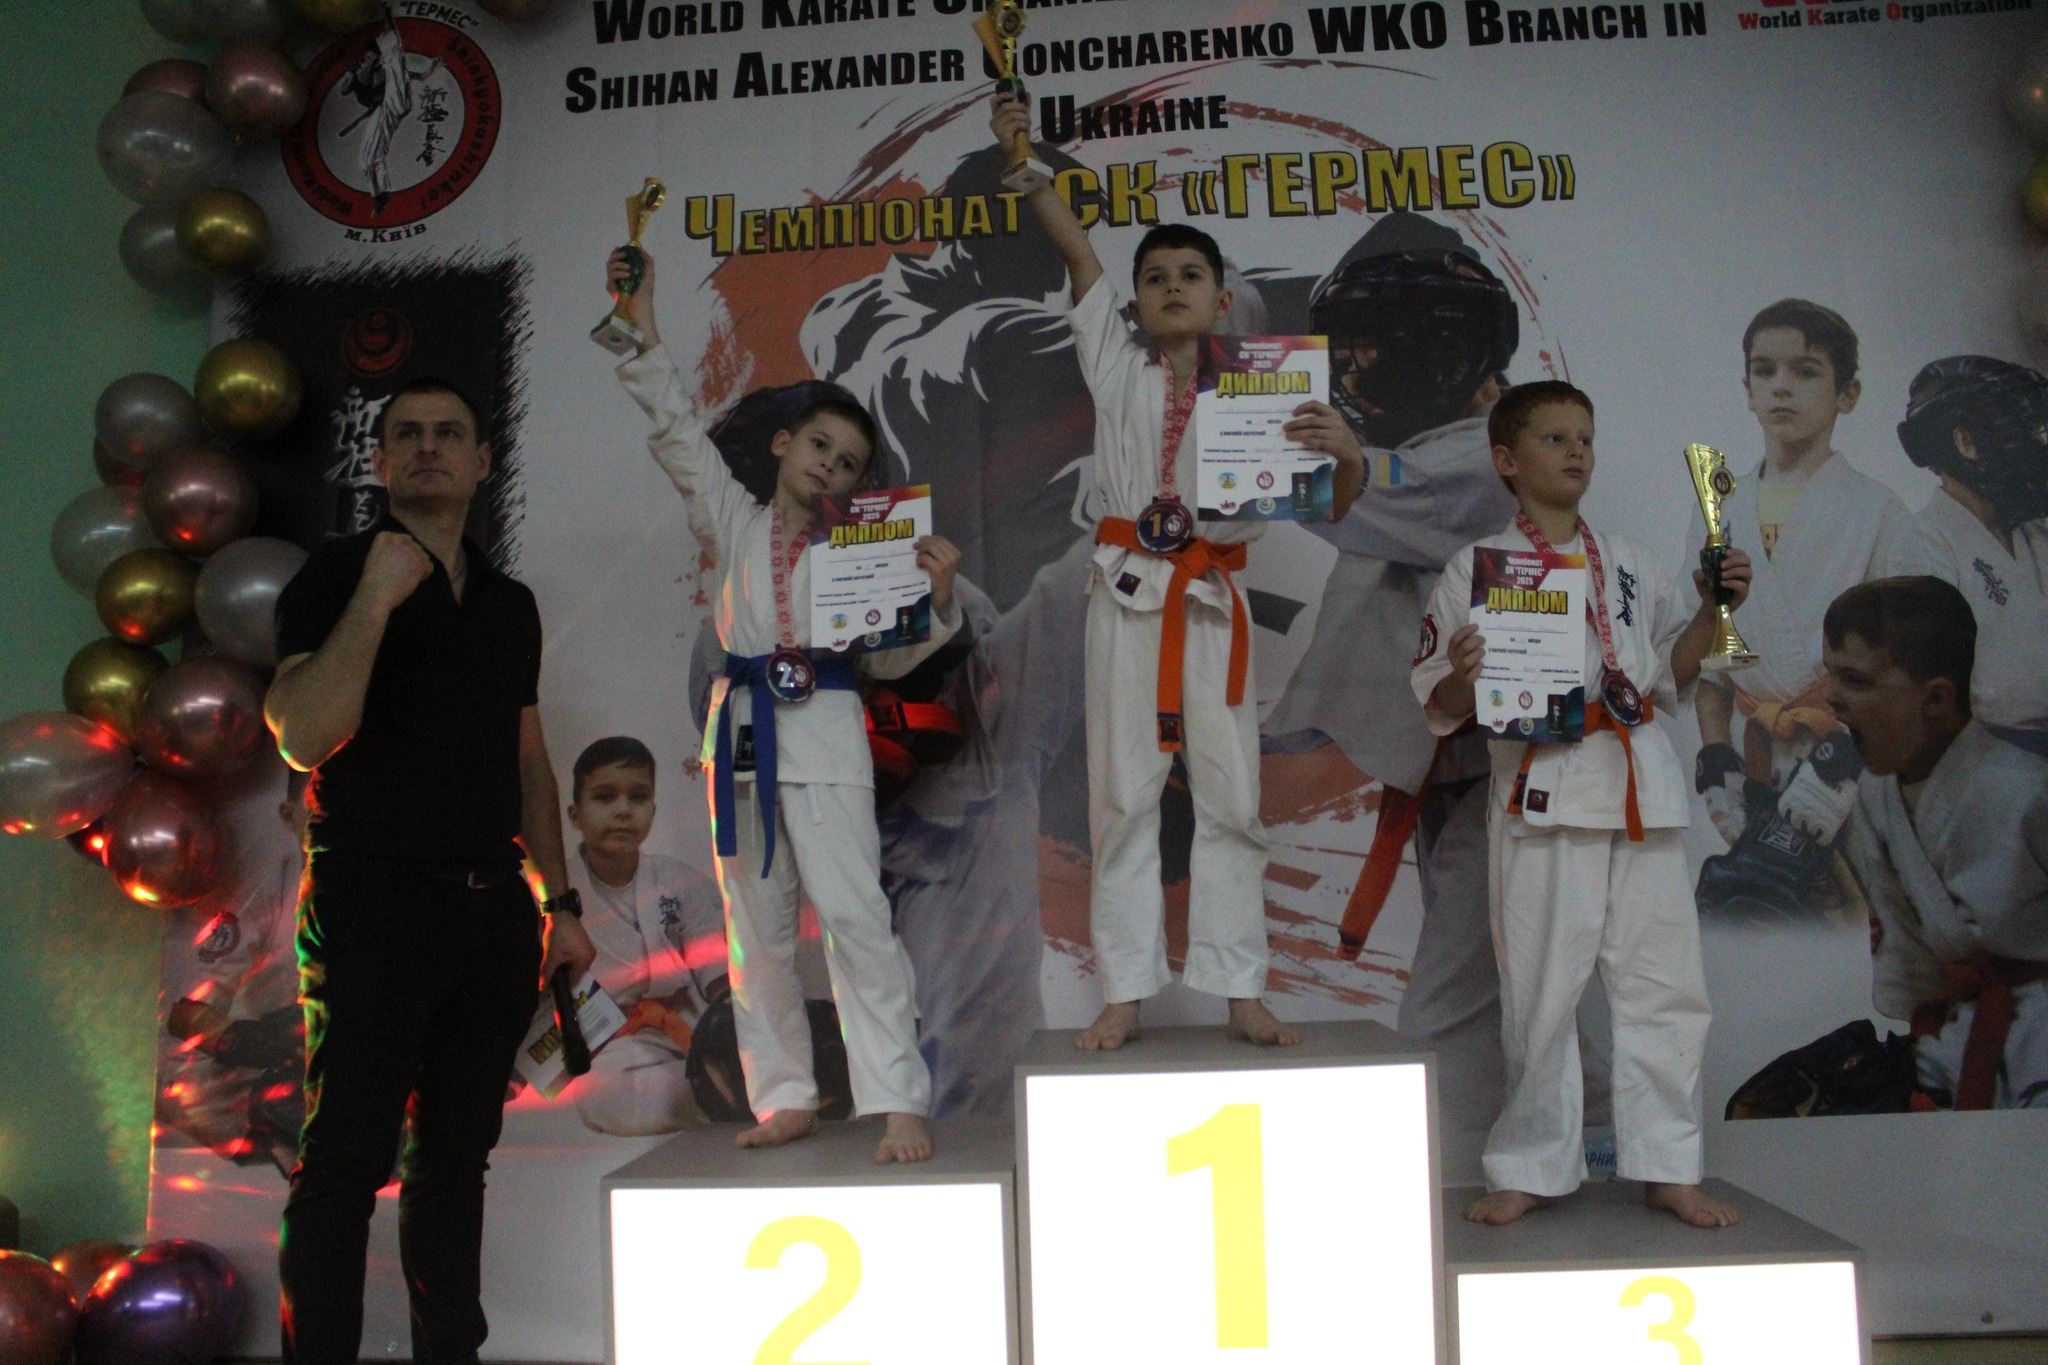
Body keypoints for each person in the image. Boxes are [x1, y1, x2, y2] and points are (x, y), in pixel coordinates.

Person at [991, 93, 1364, 1050]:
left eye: (1190, 275)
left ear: (1221, 298)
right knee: (1123, 797)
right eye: (1154, 277)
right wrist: (1029, 166)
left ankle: (1241, 987)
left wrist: (1343, 451)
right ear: (1138, 300)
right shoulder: (1119, 371)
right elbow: (1081, 260)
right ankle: (1125, 990)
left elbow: (1332, 501)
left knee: (1232, 798)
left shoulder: (1266, 392)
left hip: (1210, 599)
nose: (1170, 287)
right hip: (1126, 599)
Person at [264, 376, 596, 1365]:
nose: (427, 447)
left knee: (455, 1162)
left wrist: (562, 903)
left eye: (449, 433)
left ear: (482, 460)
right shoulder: (333, 575)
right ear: (378, 462)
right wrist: (376, 594)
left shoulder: (509, 604)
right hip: (370, 900)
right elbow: (302, 735)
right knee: (344, 1161)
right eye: (405, 434)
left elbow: (528, 760)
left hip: (490, 911)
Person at [607, 247, 964, 1164]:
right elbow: (678, 435)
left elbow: (894, 659)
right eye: (818, 447)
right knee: (754, 928)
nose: (830, 468)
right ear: (782, 446)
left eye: (848, 463)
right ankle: (785, 1094)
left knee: (856, 919)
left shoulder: (866, 554)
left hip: (830, 735)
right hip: (742, 737)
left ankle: (898, 1098)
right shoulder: (735, 520)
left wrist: (937, 598)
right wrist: (644, 336)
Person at [1410, 380, 1749, 1227]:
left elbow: (1670, 675)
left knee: (1666, 989)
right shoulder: (1476, 569)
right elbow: (1439, 701)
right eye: (1554, 438)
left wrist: (1712, 607)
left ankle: (1668, 1164)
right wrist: (1465, 673)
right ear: (1506, 460)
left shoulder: (1629, 560)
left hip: (1641, 792)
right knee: (1540, 992)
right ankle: (1531, 1163)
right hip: (1545, 793)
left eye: (1585, 438)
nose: (1576, 452)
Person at [1263, 214, 1520, 1147]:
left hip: (1516, 779)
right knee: (1506, 987)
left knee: (1455, 1001)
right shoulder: (1443, 450)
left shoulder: (1490, 453)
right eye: (1354, 342)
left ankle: (1449, 1178)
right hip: (1462, 772)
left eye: (1384, 339)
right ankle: (1543, 1162)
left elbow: (1363, 493)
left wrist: (1314, 449)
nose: (1364, 363)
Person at [1692, 300, 1908, 919]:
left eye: (1806, 371)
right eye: (1765, 371)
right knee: (1762, 916)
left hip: (1851, 759)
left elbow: (1906, 667)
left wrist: (1842, 763)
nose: (1781, 386)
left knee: (1867, 923)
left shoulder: (1877, 511)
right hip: (1755, 760)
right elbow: (1711, 663)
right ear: (1747, 390)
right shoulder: (1722, 512)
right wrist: (1716, 757)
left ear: (1848, 394)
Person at [1824, 577, 2048, 1109]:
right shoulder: (1875, 796)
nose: (1830, 698)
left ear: (1937, 699)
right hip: (1955, 1032)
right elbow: (1907, 957)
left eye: (1855, 680)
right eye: (1831, 675)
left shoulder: (2028, 786)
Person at [560, 736, 727, 1136]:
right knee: (602, 1092)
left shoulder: (679, 881)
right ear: (575, 814)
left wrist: (733, 1024)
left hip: (691, 1026)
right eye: (605, 797)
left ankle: (724, 1082)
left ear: (653, 809)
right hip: (613, 1042)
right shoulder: (558, 894)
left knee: (756, 1050)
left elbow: (718, 970)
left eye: (637, 797)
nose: (623, 810)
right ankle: (721, 1094)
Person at [1885, 356, 2048, 754]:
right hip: (1993, 761)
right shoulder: (1922, 545)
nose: (2039, 447)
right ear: (1966, 442)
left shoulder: (2036, 533)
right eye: (2028, 432)